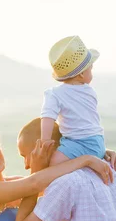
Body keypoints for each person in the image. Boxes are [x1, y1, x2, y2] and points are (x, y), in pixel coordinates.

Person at [41, 35, 106, 167]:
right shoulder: (90, 91)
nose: (92, 72)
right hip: (98, 143)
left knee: (53, 164)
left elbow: (47, 117)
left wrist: (45, 142)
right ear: (81, 74)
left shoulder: (54, 94)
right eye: (91, 69)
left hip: (78, 143)